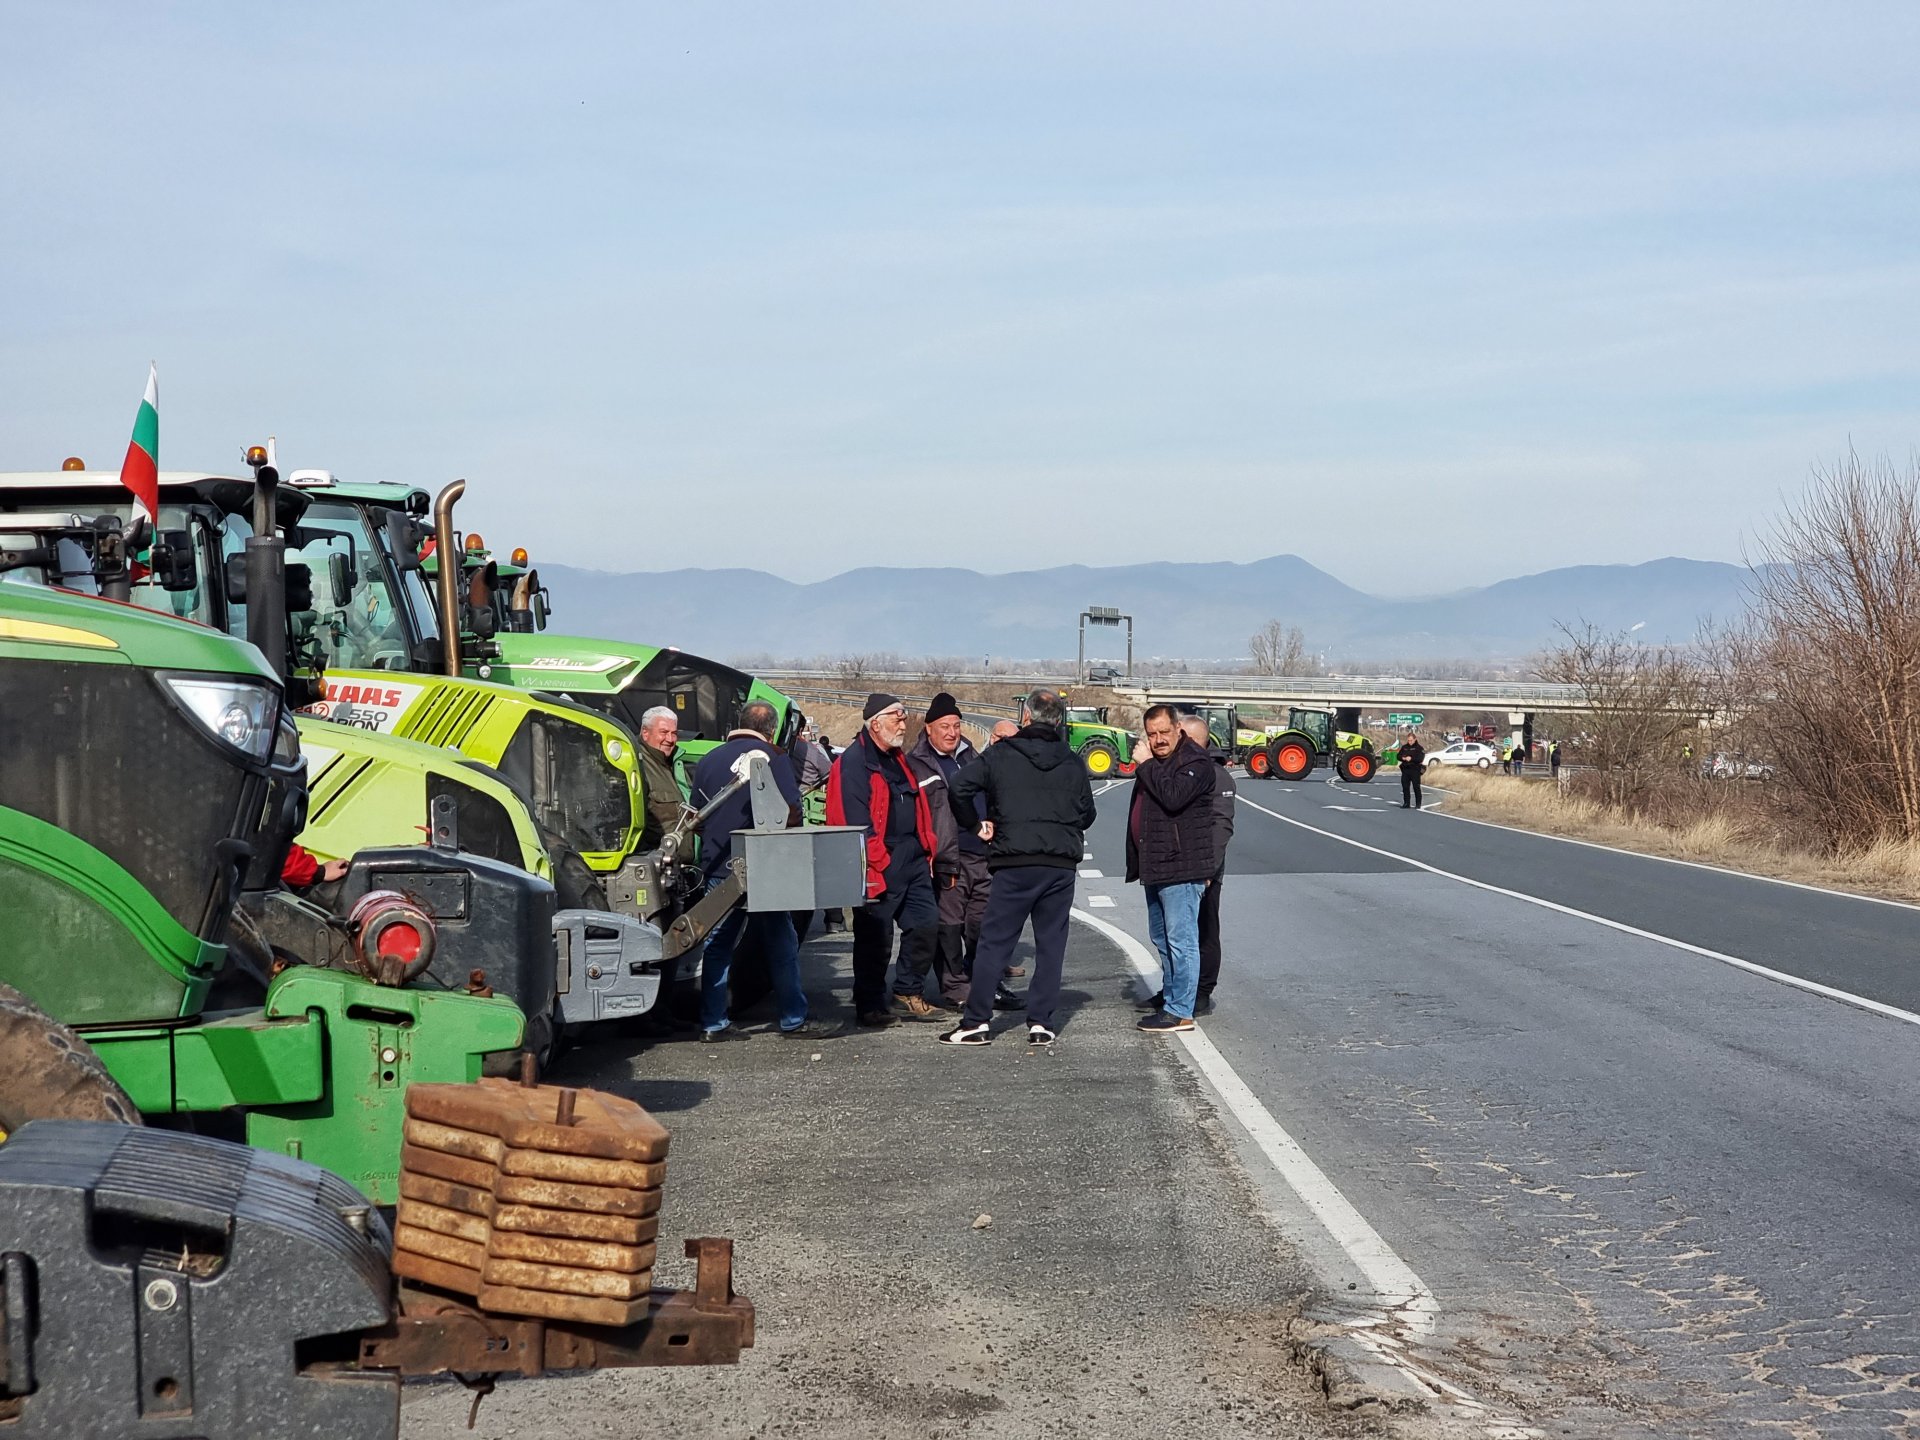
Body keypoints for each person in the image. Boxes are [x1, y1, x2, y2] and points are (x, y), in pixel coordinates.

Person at [938, 688, 1096, 1047]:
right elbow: (1088, 814)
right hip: (1058, 864)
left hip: (1013, 861)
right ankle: (1041, 1022)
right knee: (1051, 944)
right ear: (1059, 721)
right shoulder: (1072, 761)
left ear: (1026, 717)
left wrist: (977, 824)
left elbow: (959, 786)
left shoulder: (1001, 754)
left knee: (995, 943)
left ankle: (976, 1021)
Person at [688, 701, 830, 1041]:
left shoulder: (709, 760)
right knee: (780, 942)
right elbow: (791, 813)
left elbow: (695, 817)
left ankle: (713, 1022)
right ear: (771, 729)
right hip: (764, 866)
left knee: (717, 945)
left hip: (719, 866)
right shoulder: (774, 758)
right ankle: (793, 1018)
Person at [826, 694, 941, 1027]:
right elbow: (851, 818)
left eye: (903, 716)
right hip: (879, 859)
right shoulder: (853, 762)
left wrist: (925, 846)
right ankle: (870, 1004)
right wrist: (878, 858)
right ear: (875, 723)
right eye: (897, 717)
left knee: (925, 923)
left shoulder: (896, 757)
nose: (903, 723)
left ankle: (907, 992)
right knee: (875, 938)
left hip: (913, 855)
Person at [1125, 705, 1216, 1034]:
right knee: (1163, 939)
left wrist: (1146, 764)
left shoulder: (1194, 761)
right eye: (1152, 734)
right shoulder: (1160, 763)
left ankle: (1181, 1011)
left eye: (1164, 732)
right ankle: (1172, 998)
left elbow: (1174, 797)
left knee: (1182, 941)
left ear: (1178, 729)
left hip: (1182, 866)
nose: (1158, 739)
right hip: (1157, 864)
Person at [903, 694, 991, 1010]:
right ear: (929, 729)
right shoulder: (916, 764)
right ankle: (954, 986)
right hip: (947, 860)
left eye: (956, 725)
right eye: (945, 726)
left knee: (981, 925)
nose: (952, 732)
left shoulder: (971, 756)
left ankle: (981, 978)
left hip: (982, 855)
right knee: (950, 928)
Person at [1185, 715, 1234, 1016]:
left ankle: (1202, 991)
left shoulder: (1218, 777)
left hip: (1205, 871)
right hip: (1176, 868)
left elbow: (1221, 827)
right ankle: (1177, 988)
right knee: (1177, 934)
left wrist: (1208, 870)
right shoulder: (1180, 772)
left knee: (1204, 930)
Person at [635, 705, 686, 850]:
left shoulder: (677, 763)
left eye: (674, 733)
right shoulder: (638, 766)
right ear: (645, 733)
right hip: (655, 863)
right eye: (663, 732)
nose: (670, 739)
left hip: (681, 865)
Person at [1399, 731, 1426, 809]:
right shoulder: (1404, 747)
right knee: (1405, 787)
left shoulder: (1419, 748)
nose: (1409, 742)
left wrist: (1411, 758)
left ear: (1415, 739)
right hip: (1406, 770)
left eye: (1411, 740)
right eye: (1408, 740)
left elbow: (1420, 758)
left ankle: (1418, 804)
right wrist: (1403, 758)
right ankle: (1406, 803)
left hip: (1415, 770)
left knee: (1416, 787)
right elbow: (1398, 756)